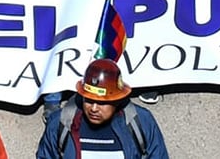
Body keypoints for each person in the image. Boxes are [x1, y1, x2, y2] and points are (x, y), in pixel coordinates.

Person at [35, 61, 168, 159]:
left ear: (117, 100)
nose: (93, 108)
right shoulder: (60, 122)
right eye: (88, 100)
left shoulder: (142, 122)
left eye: (102, 103)